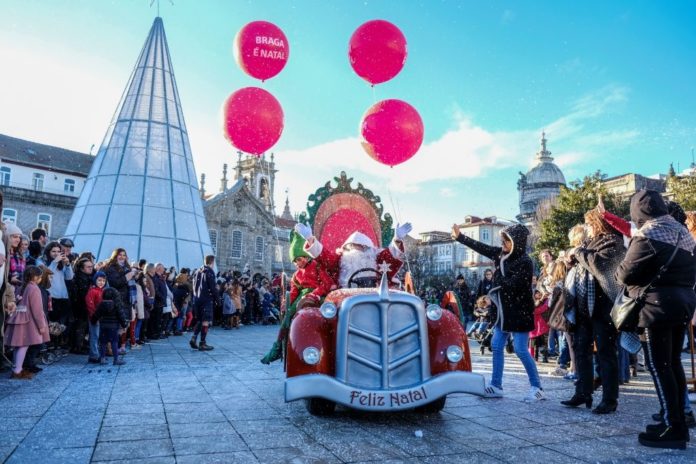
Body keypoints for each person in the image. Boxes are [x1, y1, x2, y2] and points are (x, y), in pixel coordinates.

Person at [616, 191, 696, 449]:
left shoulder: (648, 234)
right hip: (682, 303)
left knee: (659, 365)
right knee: (672, 363)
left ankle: (673, 428)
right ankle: (676, 421)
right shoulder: (682, 233)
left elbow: (625, 274)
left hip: (655, 307)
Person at [452, 222, 545, 402]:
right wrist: (460, 237)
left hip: (519, 312)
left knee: (520, 349)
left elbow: (514, 285)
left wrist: (496, 278)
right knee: (495, 345)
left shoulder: (525, 262)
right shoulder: (501, 255)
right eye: (502, 240)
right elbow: (481, 247)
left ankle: (537, 387)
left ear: (516, 242)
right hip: (502, 312)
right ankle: (496, 386)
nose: (502, 244)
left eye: (506, 241)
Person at [562, 209, 625, 414]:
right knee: (581, 351)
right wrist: (571, 261)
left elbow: (599, 266)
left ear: (599, 223)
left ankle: (610, 399)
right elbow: (583, 265)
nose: (586, 227)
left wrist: (578, 254)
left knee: (606, 352)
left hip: (603, 307)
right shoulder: (588, 244)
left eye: (589, 223)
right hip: (583, 307)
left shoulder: (613, 242)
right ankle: (583, 392)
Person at [261, 231, 334, 364]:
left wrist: (315, 294)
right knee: (288, 316)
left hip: (319, 296)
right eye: (294, 261)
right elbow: (294, 292)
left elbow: (327, 284)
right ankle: (278, 347)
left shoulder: (317, 266)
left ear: (304, 257)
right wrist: (286, 304)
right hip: (302, 298)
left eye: (297, 260)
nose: (296, 263)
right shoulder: (296, 275)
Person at [295, 222, 412, 289]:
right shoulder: (340, 259)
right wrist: (310, 239)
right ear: (346, 248)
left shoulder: (376, 258)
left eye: (360, 246)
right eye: (351, 246)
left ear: (368, 249)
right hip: (346, 300)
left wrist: (397, 239)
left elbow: (391, 254)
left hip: (374, 298)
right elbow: (324, 256)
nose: (355, 250)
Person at [5, 266, 50, 379]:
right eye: (40, 277)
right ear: (36, 277)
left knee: (18, 346)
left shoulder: (21, 286)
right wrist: (41, 326)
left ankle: (16, 368)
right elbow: (37, 310)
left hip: (18, 318)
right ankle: (18, 370)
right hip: (28, 321)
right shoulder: (34, 288)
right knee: (23, 345)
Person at [42, 241, 74, 345]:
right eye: (53, 251)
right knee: (51, 323)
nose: (56, 253)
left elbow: (70, 277)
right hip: (51, 296)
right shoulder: (43, 263)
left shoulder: (60, 264)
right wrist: (55, 262)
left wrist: (68, 264)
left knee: (60, 324)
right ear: (48, 252)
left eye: (58, 251)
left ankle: (57, 345)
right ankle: (49, 345)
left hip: (63, 297)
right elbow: (46, 275)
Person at [92, 287, 128, 366]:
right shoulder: (116, 304)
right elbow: (121, 316)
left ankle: (102, 358)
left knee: (103, 343)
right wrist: (124, 324)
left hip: (103, 326)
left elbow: (96, 314)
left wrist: (93, 321)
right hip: (113, 327)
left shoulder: (101, 304)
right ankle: (116, 360)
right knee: (114, 343)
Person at [190, 255, 218, 351]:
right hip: (206, 299)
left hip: (197, 299)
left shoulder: (197, 271)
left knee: (200, 320)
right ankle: (202, 343)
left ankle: (194, 338)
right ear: (212, 262)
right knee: (205, 321)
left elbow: (193, 287)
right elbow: (213, 288)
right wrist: (218, 299)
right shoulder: (209, 272)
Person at [69, 257, 94, 354]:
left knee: (83, 327)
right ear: (82, 268)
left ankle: (82, 345)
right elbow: (81, 294)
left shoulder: (87, 277)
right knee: (80, 327)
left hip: (83, 306)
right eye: (88, 267)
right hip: (80, 306)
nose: (91, 268)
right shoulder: (80, 278)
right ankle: (78, 347)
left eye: (91, 267)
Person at [85, 271, 107, 363]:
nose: (101, 282)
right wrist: (94, 316)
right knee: (94, 336)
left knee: (98, 336)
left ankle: (97, 353)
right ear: (95, 280)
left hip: (101, 317)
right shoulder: (92, 291)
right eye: (99, 280)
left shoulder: (103, 291)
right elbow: (90, 304)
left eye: (103, 281)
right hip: (94, 317)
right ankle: (94, 355)